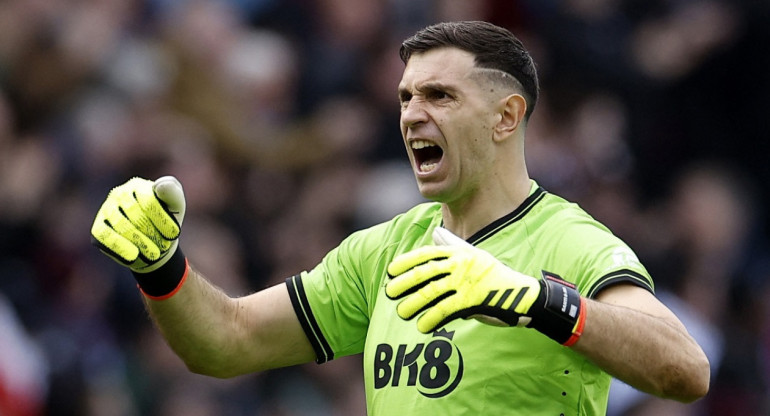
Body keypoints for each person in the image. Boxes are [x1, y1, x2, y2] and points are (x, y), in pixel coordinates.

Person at [90, 21, 710, 414]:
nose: (412, 113)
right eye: (405, 96)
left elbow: (685, 370)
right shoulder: (385, 250)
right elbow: (228, 341)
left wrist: (532, 299)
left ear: (505, 117)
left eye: (440, 95)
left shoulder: (570, 240)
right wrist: (162, 266)